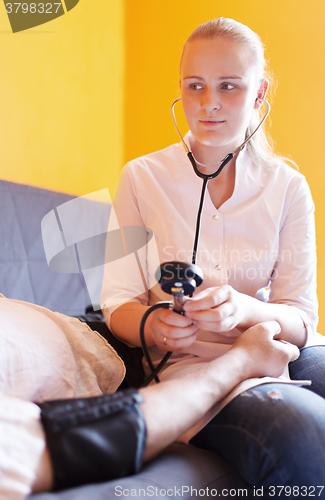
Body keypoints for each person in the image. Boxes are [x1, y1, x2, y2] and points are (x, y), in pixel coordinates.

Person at [100, 18, 325, 490]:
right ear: (180, 89)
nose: (209, 103)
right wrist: (151, 324)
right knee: (303, 429)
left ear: (260, 92)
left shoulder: (288, 188)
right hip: (195, 366)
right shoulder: (142, 179)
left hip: (279, 343)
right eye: (195, 85)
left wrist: (244, 309)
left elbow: (302, 320)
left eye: (229, 86)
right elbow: (117, 303)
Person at [0, 294, 300, 499]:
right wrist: (242, 360)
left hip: (77, 325)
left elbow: (301, 317)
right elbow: (123, 431)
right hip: (118, 356)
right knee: (298, 431)